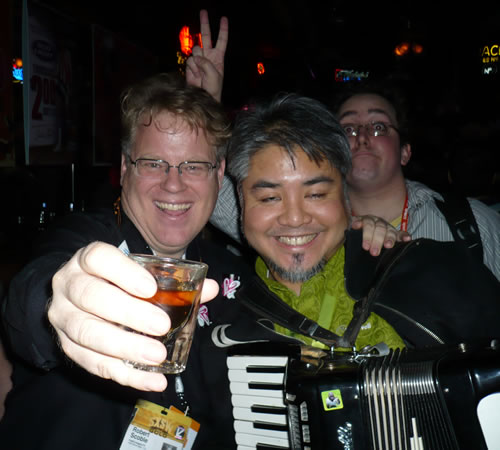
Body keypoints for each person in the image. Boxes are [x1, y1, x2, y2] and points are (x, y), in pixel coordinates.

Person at [179, 93, 500, 448]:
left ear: (345, 198)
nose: (295, 218)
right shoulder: (221, 320)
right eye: (270, 198)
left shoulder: (436, 273)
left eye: (316, 194)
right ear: (240, 204)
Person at [333, 83, 500, 280]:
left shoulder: (475, 224)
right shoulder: (315, 233)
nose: (361, 137)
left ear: (404, 152)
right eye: (348, 129)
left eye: (378, 127)